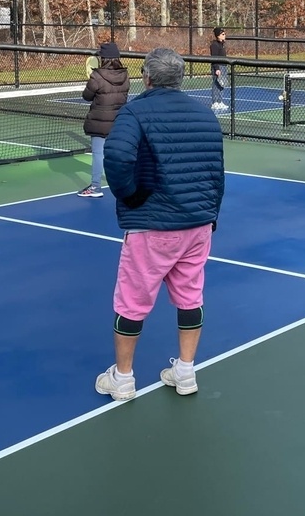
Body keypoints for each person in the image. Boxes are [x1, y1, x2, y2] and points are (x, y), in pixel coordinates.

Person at [95, 48, 226, 402]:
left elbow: (118, 157)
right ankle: (185, 372)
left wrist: (131, 197)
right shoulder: (204, 115)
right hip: (198, 225)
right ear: (179, 78)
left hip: (153, 227)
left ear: (146, 76)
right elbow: (216, 171)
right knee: (190, 296)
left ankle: (122, 379)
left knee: (131, 302)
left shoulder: (134, 112)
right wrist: (210, 212)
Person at [78, 42, 130, 198]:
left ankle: (95, 187)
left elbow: (86, 96)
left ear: (103, 58)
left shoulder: (97, 76)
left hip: (100, 122)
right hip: (119, 121)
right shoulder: (125, 75)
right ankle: (125, 183)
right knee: (117, 154)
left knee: (98, 154)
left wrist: (91, 80)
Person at [209, 27, 228, 112]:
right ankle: (215, 102)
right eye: (222, 34)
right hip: (218, 67)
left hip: (223, 66)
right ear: (218, 36)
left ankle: (220, 101)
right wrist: (217, 68)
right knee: (216, 84)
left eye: (224, 34)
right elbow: (214, 58)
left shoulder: (222, 44)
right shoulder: (214, 45)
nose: (224, 36)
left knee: (221, 84)